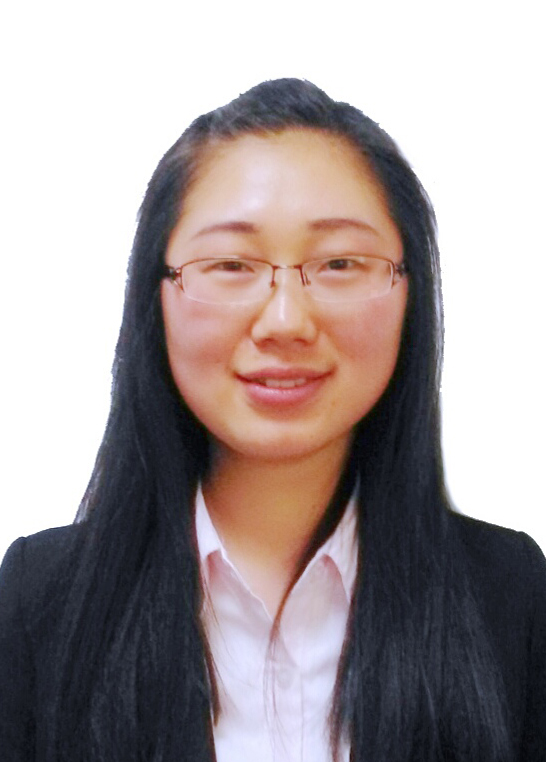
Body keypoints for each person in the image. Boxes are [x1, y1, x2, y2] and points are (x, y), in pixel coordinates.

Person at [0, 78, 544, 762]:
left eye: (340, 262)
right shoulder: (41, 603)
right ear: (156, 296)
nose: (285, 320)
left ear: (411, 293)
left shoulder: (510, 597)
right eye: (232, 264)